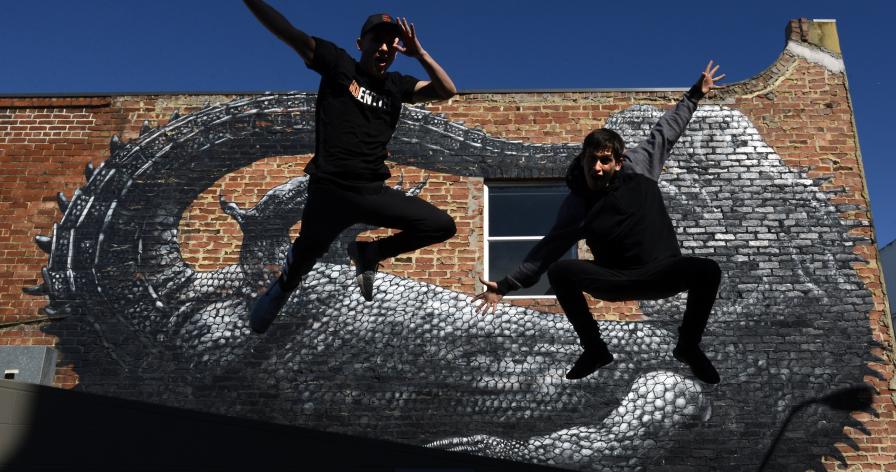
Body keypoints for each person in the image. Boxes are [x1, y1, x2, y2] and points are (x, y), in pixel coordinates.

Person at [474, 62, 726, 383]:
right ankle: (594, 349)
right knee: (562, 271)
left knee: (707, 270)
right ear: (583, 160)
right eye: (591, 160)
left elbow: (666, 130)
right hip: (616, 279)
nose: (596, 168)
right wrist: (507, 285)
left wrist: (694, 95)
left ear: (618, 163)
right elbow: (548, 249)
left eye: (604, 160)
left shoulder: (641, 167)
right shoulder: (577, 202)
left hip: (663, 271)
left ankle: (688, 346)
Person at [243, 1, 458, 334]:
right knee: (303, 259)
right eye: (377, 41)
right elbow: (289, 33)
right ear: (362, 45)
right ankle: (282, 288)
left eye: (391, 42)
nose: (384, 48)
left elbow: (447, 90)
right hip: (328, 190)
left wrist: (421, 54)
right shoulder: (338, 65)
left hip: (371, 191)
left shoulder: (397, 86)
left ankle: (369, 252)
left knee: (441, 225)